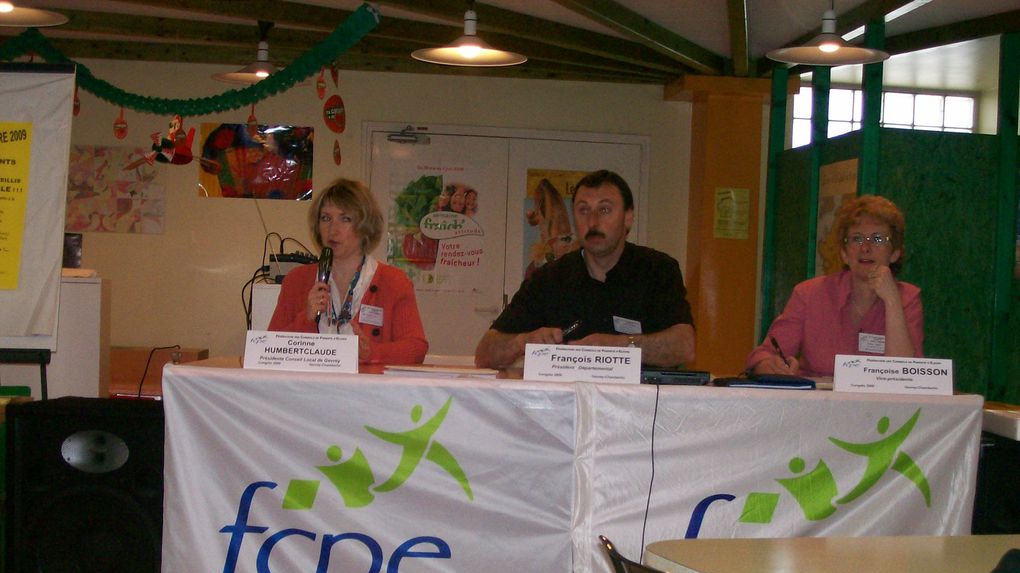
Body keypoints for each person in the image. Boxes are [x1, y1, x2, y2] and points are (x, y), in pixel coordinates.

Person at [474, 169, 695, 369]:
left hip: (638, 407)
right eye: (583, 210)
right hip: (564, 407)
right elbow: (485, 354)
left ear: (628, 218)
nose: (593, 221)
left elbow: (684, 346)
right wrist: (523, 341)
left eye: (605, 209)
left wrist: (619, 346)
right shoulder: (549, 278)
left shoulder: (657, 270)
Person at [746, 194, 922, 378]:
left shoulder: (908, 299)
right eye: (856, 238)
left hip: (881, 405)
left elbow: (905, 373)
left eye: (877, 239)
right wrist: (771, 366)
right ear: (844, 254)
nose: (866, 247)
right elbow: (763, 356)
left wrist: (892, 300)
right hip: (817, 404)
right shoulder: (809, 294)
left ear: (894, 253)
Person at [268, 177, 428, 365]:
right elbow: (270, 349)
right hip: (311, 390)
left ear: (365, 227)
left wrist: (371, 352)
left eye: (345, 219)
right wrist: (306, 319)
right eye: (326, 218)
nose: (332, 230)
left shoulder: (393, 281)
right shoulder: (297, 280)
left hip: (368, 392)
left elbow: (416, 349)